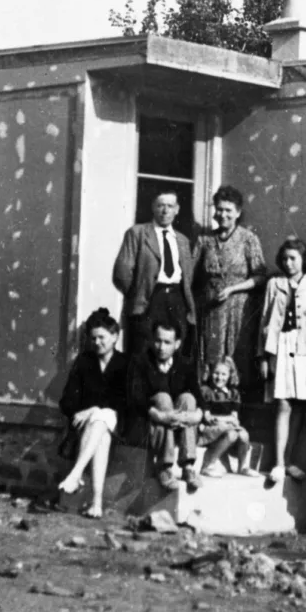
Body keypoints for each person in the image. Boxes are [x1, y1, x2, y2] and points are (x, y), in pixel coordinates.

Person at [259, 237, 306, 484]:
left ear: (303, 260)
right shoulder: (274, 284)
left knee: (300, 406)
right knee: (283, 405)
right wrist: (264, 357)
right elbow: (265, 322)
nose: (288, 264)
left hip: (304, 348)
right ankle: (278, 463)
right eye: (285, 258)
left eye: (293, 259)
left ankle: (291, 462)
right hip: (280, 346)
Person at [192, 185, 267, 389]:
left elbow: (260, 277)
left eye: (228, 210)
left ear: (238, 212)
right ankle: (211, 403)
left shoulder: (248, 239)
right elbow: (191, 275)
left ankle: (235, 407)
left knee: (237, 356)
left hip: (238, 310)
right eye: (219, 209)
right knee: (211, 355)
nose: (222, 214)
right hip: (211, 309)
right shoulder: (204, 239)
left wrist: (233, 289)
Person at [58, 308, 128, 519]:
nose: (97, 342)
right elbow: (67, 401)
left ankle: (76, 473)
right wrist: (90, 412)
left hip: (120, 422)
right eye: (94, 338)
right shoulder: (84, 362)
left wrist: (95, 409)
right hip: (91, 427)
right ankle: (96, 503)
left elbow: (126, 401)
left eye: (102, 337)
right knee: (102, 434)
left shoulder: (125, 363)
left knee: (102, 416)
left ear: (115, 337)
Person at [113, 190, 196, 359]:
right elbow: (122, 273)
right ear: (153, 208)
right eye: (160, 206)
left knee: (175, 351)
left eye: (170, 206)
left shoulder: (182, 240)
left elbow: (188, 275)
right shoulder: (138, 233)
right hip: (149, 298)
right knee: (143, 348)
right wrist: (139, 293)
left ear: (177, 209)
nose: (165, 211)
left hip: (177, 298)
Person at [127, 319, 204, 492]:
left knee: (188, 399)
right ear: (151, 340)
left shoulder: (185, 364)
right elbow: (135, 399)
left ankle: (188, 467)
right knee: (162, 398)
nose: (161, 347)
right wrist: (159, 415)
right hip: (151, 425)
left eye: (167, 342)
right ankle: (164, 467)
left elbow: (199, 396)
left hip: (178, 426)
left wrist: (197, 415)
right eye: (158, 340)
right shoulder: (140, 362)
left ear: (177, 344)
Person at [198, 356, 260, 478]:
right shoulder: (206, 391)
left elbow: (235, 417)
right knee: (231, 434)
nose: (219, 377)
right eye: (216, 373)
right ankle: (208, 465)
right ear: (211, 373)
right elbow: (208, 417)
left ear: (230, 375)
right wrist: (227, 420)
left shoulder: (233, 393)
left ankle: (242, 466)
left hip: (227, 426)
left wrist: (229, 420)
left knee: (243, 435)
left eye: (223, 374)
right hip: (211, 428)